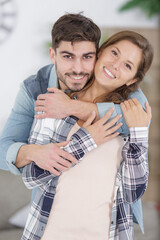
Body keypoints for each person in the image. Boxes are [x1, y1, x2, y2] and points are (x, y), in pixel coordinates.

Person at [0, 13, 149, 232]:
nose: (78, 69)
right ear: (53, 55)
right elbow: (7, 151)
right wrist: (33, 152)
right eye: (68, 56)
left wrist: (72, 107)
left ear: (97, 55)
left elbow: (141, 119)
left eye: (87, 56)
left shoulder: (126, 93)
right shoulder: (39, 94)